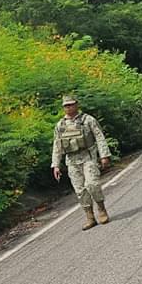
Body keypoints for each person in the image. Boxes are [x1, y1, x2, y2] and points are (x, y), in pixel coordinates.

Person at [52, 96, 112, 230]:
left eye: (71, 104)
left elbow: (99, 137)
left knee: (92, 184)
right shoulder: (60, 125)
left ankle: (101, 209)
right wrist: (56, 165)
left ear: (76, 105)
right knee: (80, 190)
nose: (68, 107)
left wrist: (104, 155)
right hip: (72, 161)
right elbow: (57, 146)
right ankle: (90, 217)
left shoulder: (88, 120)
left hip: (88, 157)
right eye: (66, 105)